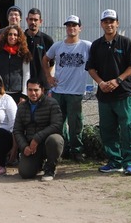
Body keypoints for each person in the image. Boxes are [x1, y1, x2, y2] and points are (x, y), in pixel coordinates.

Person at [86, 9, 131, 176]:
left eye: (112, 21)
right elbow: (91, 68)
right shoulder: (96, 45)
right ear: (101, 24)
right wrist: (101, 83)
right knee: (107, 130)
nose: (109, 24)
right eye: (105, 21)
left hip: (123, 94)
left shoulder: (126, 43)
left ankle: (130, 163)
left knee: (128, 130)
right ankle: (114, 161)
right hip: (104, 95)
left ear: (117, 23)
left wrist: (118, 80)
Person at [43, 14, 91, 162]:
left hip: (75, 92)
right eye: (69, 25)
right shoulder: (58, 46)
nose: (71, 28)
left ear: (80, 28)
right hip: (59, 91)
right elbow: (45, 59)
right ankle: (61, 150)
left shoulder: (87, 46)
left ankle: (76, 151)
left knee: (75, 123)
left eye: (74, 25)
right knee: (58, 123)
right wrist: (48, 77)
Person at [13, 78, 64, 181]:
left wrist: (37, 138)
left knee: (55, 140)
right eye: (30, 90)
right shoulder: (22, 107)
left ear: (42, 90)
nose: (33, 93)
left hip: (47, 142)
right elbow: (17, 130)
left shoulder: (52, 103)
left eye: (36, 90)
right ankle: (38, 164)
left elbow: (57, 125)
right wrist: (24, 146)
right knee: (25, 173)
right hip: (31, 146)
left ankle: (50, 168)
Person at [0, 25, 31, 103]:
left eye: (15, 35)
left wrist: (24, 94)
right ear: (6, 36)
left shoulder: (24, 53)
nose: (12, 37)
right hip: (0, 92)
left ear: (19, 37)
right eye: (10, 34)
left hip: (17, 93)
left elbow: (26, 74)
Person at [24, 8, 54, 89]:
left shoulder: (47, 40)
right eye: (31, 19)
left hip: (42, 85)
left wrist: (45, 76)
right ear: (27, 20)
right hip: (24, 85)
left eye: (36, 20)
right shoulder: (21, 38)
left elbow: (52, 62)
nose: (33, 22)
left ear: (40, 21)